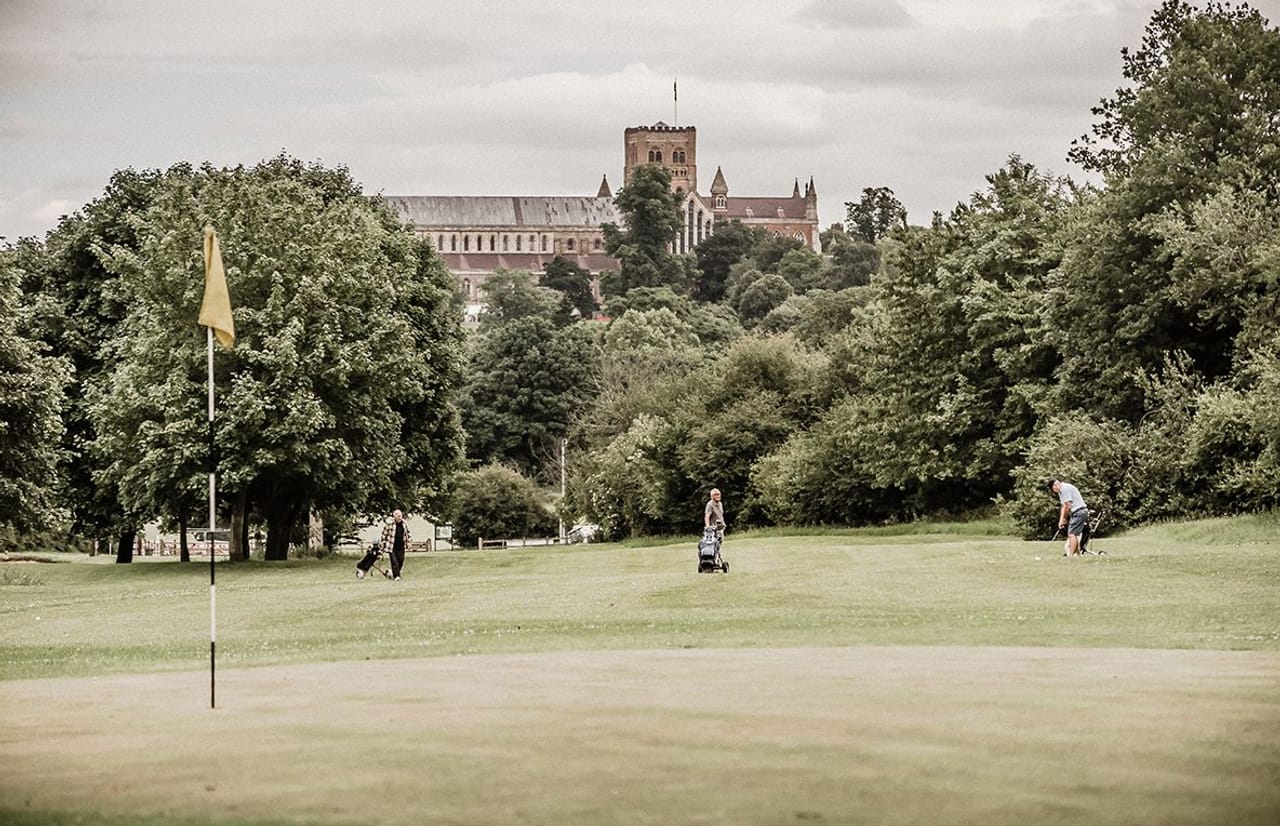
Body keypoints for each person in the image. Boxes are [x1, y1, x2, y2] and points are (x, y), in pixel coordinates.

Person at [1049, 479, 1088, 557]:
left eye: (1054, 489)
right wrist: (1061, 520)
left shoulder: (1065, 489)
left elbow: (1068, 505)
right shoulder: (1061, 491)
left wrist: (1065, 518)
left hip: (1079, 511)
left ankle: (1070, 556)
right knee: (1075, 534)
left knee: (1071, 534)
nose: (1055, 491)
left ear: (1056, 485)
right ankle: (1078, 554)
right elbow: (1063, 506)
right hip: (1079, 512)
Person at [381, 509, 410, 580]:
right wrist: (383, 543)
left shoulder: (404, 524)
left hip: (401, 546)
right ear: (394, 516)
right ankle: (397, 576)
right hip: (392, 546)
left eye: (401, 516)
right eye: (398, 516)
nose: (400, 517)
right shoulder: (389, 524)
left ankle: (392, 572)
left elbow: (408, 533)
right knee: (394, 562)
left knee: (401, 561)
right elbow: (384, 534)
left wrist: (409, 542)